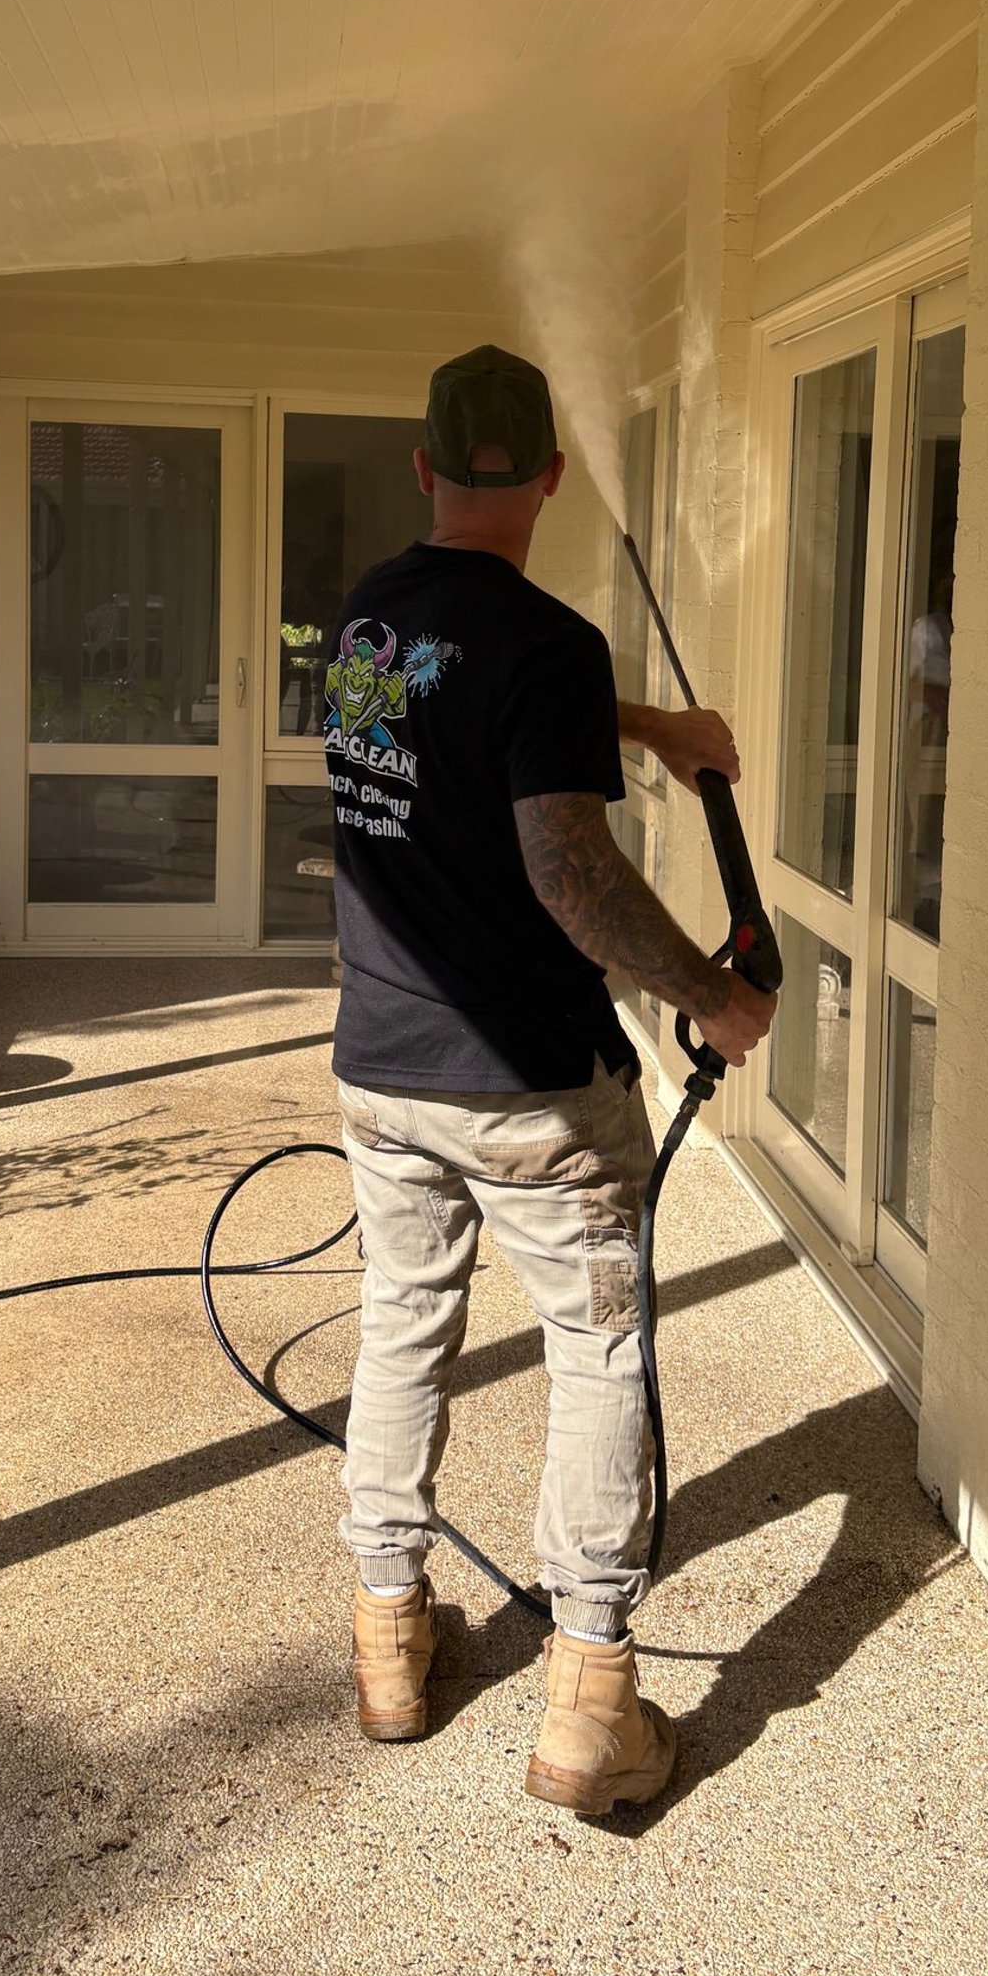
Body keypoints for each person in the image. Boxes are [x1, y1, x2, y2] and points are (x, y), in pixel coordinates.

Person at [323, 343, 777, 1815]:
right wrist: (715, 990)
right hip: (527, 1088)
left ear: (425, 468)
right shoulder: (554, 646)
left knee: (403, 1324)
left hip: (383, 1067)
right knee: (596, 1350)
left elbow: (463, 729)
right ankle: (591, 1695)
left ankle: (391, 1639)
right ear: (552, 481)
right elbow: (565, 867)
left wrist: (655, 731)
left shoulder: (367, 620)